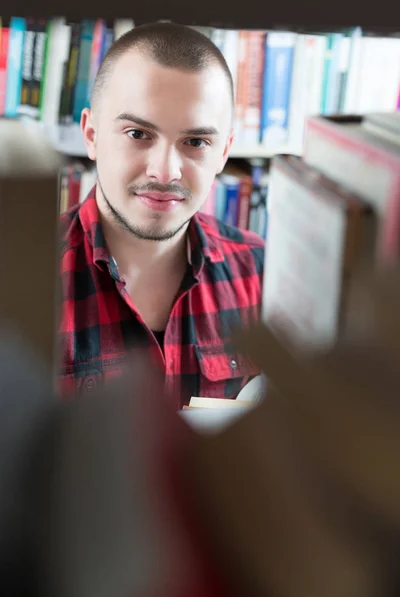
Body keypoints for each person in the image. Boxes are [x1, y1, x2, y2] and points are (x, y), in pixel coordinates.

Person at [58, 22, 265, 408]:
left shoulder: (265, 274)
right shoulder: (18, 282)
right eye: (138, 134)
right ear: (91, 135)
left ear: (224, 152)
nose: (165, 171)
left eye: (196, 142)